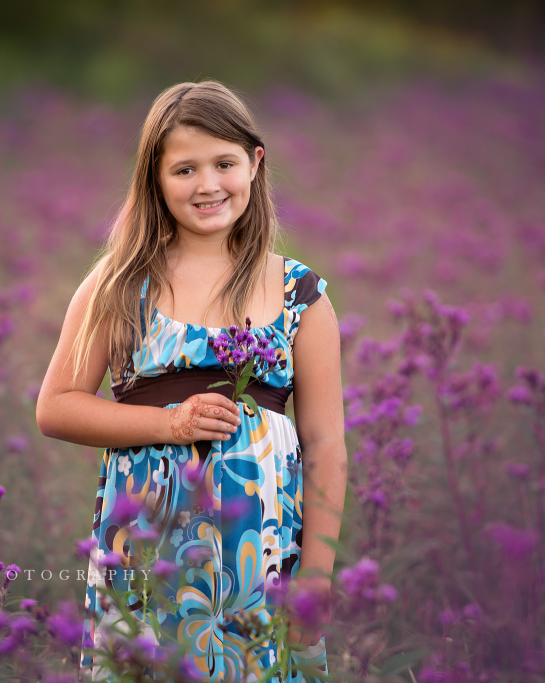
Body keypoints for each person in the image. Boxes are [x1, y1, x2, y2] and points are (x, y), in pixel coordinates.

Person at [35, 80, 346, 682]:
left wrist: (317, 575)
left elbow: (327, 442)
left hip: (262, 553)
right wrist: (168, 423)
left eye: (224, 163)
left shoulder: (298, 293)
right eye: (184, 169)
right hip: (150, 548)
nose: (207, 185)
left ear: (255, 164)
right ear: (154, 178)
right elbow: (56, 407)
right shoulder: (120, 281)